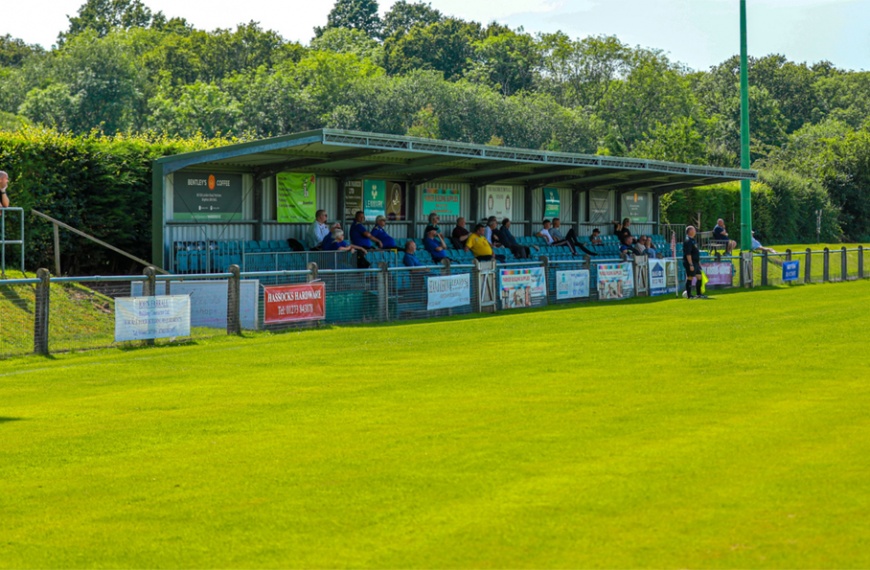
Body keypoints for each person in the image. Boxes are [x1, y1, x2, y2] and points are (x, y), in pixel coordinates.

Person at [683, 225, 706, 299]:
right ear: (690, 231)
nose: (695, 231)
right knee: (690, 277)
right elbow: (688, 253)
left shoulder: (693, 240)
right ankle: (689, 295)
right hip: (690, 262)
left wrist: (698, 262)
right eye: (694, 230)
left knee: (699, 276)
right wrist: (690, 264)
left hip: (695, 262)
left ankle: (699, 294)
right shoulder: (688, 240)